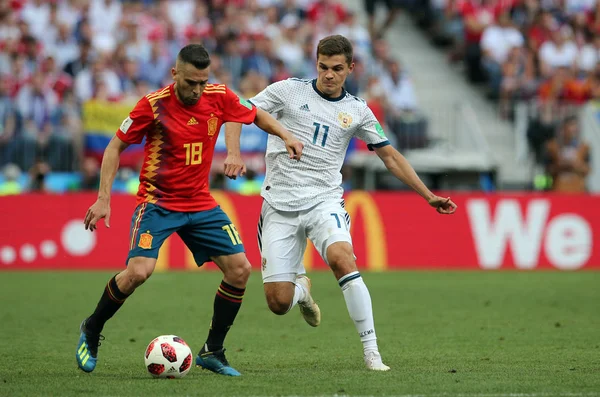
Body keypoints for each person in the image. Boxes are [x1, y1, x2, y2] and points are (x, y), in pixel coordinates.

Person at [76, 44, 303, 377]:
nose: (197, 90)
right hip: (158, 202)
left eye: (202, 82)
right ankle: (92, 328)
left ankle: (213, 350)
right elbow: (115, 147)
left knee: (240, 270)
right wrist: (104, 197)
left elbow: (255, 114)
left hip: (199, 202)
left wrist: (286, 134)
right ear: (175, 74)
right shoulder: (151, 106)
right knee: (139, 272)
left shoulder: (219, 95)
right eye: (191, 82)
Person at [238, 35, 457, 371]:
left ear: (350, 68)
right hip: (278, 205)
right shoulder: (288, 91)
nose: (329, 74)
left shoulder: (357, 110)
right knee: (278, 303)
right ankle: (302, 290)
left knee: (343, 259)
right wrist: (235, 153)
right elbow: (241, 111)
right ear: (317, 64)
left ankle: (372, 353)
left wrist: (428, 196)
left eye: (337, 68)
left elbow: (390, 156)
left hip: (324, 201)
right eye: (323, 67)